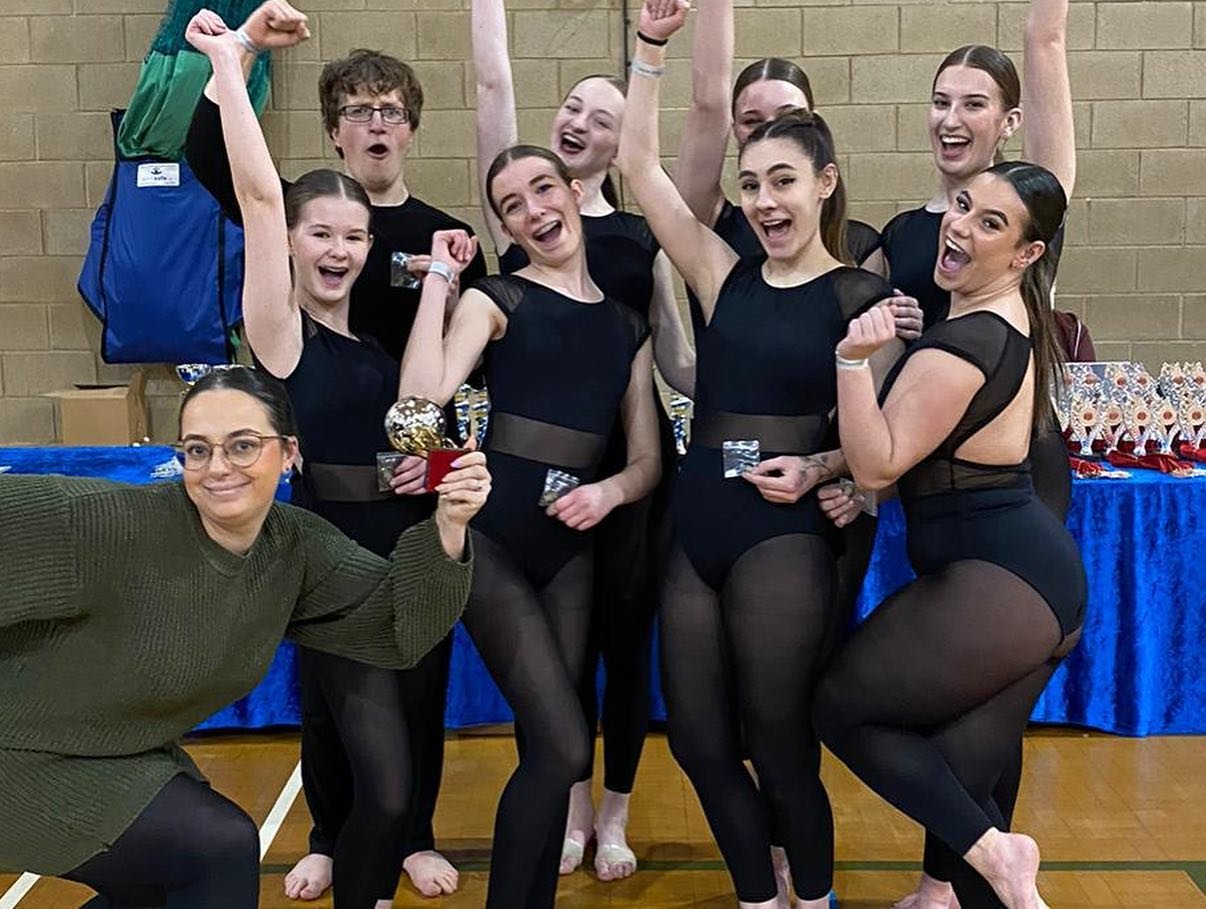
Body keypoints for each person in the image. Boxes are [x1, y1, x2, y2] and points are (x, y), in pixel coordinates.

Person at [184, 2, 487, 899]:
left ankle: (382, 852)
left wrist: (437, 280)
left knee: (407, 740)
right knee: (363, 760)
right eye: (321, 234)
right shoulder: (280, 335)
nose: (341, 250)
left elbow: (424, 403)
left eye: (353, 237)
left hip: (403, 545)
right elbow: (257, 194)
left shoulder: (371, 345)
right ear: (291, 242)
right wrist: (231, 64)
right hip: (330, 559)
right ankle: (351, 840)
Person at [0, 362, 486, 909]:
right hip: (22, 758)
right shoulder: (104, 522)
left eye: (243, 445)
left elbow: (398, 629)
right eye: (198, 449)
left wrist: (449, 526)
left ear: (290, 454)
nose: (217, 468)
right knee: (217, 849)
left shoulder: (296, 548)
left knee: (159, 887)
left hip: (117, 755)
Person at [616, 4, 906, 906]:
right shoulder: (720, 272)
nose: (765, 201)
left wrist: (820, 471)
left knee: (778, 740)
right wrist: (650, 50)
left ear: (825, 184)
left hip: (779, 534)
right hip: (698, 521)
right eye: (751, 185)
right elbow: (636, 166)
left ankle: (810, 897)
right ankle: (757, 894)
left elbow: (880, 451)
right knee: (700, 743)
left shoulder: (863, 292)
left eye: (784, 181)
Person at [814, 161, 1086, 909]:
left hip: (1005, 588)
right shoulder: (1009, 318)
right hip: (1037, 589)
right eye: (963, 205)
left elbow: (878, 466)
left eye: (991, 222)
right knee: (962, 783)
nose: (961, 225)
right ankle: (998, 866)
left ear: (1028, 254)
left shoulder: (960, 344)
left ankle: (1002, 855)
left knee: (842, 706)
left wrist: (850, 360)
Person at [397, 145, 661, 908]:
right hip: (494, 538)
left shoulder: (625, 326)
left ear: (576, 191)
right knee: (566, 741)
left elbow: (645, 458)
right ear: (504, 224)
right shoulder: (497, 298)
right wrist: (442, 282)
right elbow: (417, 411)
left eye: (544, 188)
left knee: (549, 740)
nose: (535, 209)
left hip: (571, 545)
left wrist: (609, 492)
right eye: (513, 204)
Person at [470, 0, 693, 881]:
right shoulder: (518, 218)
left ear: (618, 144)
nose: (579, 122)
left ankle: (614, 812)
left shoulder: (642, 238)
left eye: (604, 117)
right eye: (572, 105)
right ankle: (564, 805)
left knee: (622, 648)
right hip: (533, 483)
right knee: (551, 662)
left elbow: (672, 354)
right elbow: (491, 85)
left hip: (629, 473)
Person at [861, 3, 1075, 904]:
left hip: (1015, 477)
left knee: (991, 698)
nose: (953, 117)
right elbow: (863, 353)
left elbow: (1048, 45)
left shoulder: (1032, 199)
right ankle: (954, 874)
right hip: (930, 481)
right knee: (953, 700)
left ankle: (951, 881)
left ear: (1009, 121)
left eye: (975, 102)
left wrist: (1044, 24)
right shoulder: (904, 234)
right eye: (940, 99)